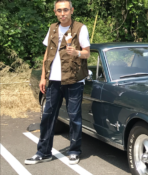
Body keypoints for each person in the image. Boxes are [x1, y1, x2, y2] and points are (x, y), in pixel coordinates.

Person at [25, 0, 90, 165]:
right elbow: (47, 53)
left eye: (66, 10)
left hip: (74, 80)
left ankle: (74, 151)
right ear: (55, 12)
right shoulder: (52, 28)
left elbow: (87, 54)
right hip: (53, 81)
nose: (63, 13)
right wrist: (42, 77)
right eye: (59, 10)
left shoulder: (80, 28)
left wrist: (76, 52)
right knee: (48, 117)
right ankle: (43, 152)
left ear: (72, 10)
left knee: (74, 117)